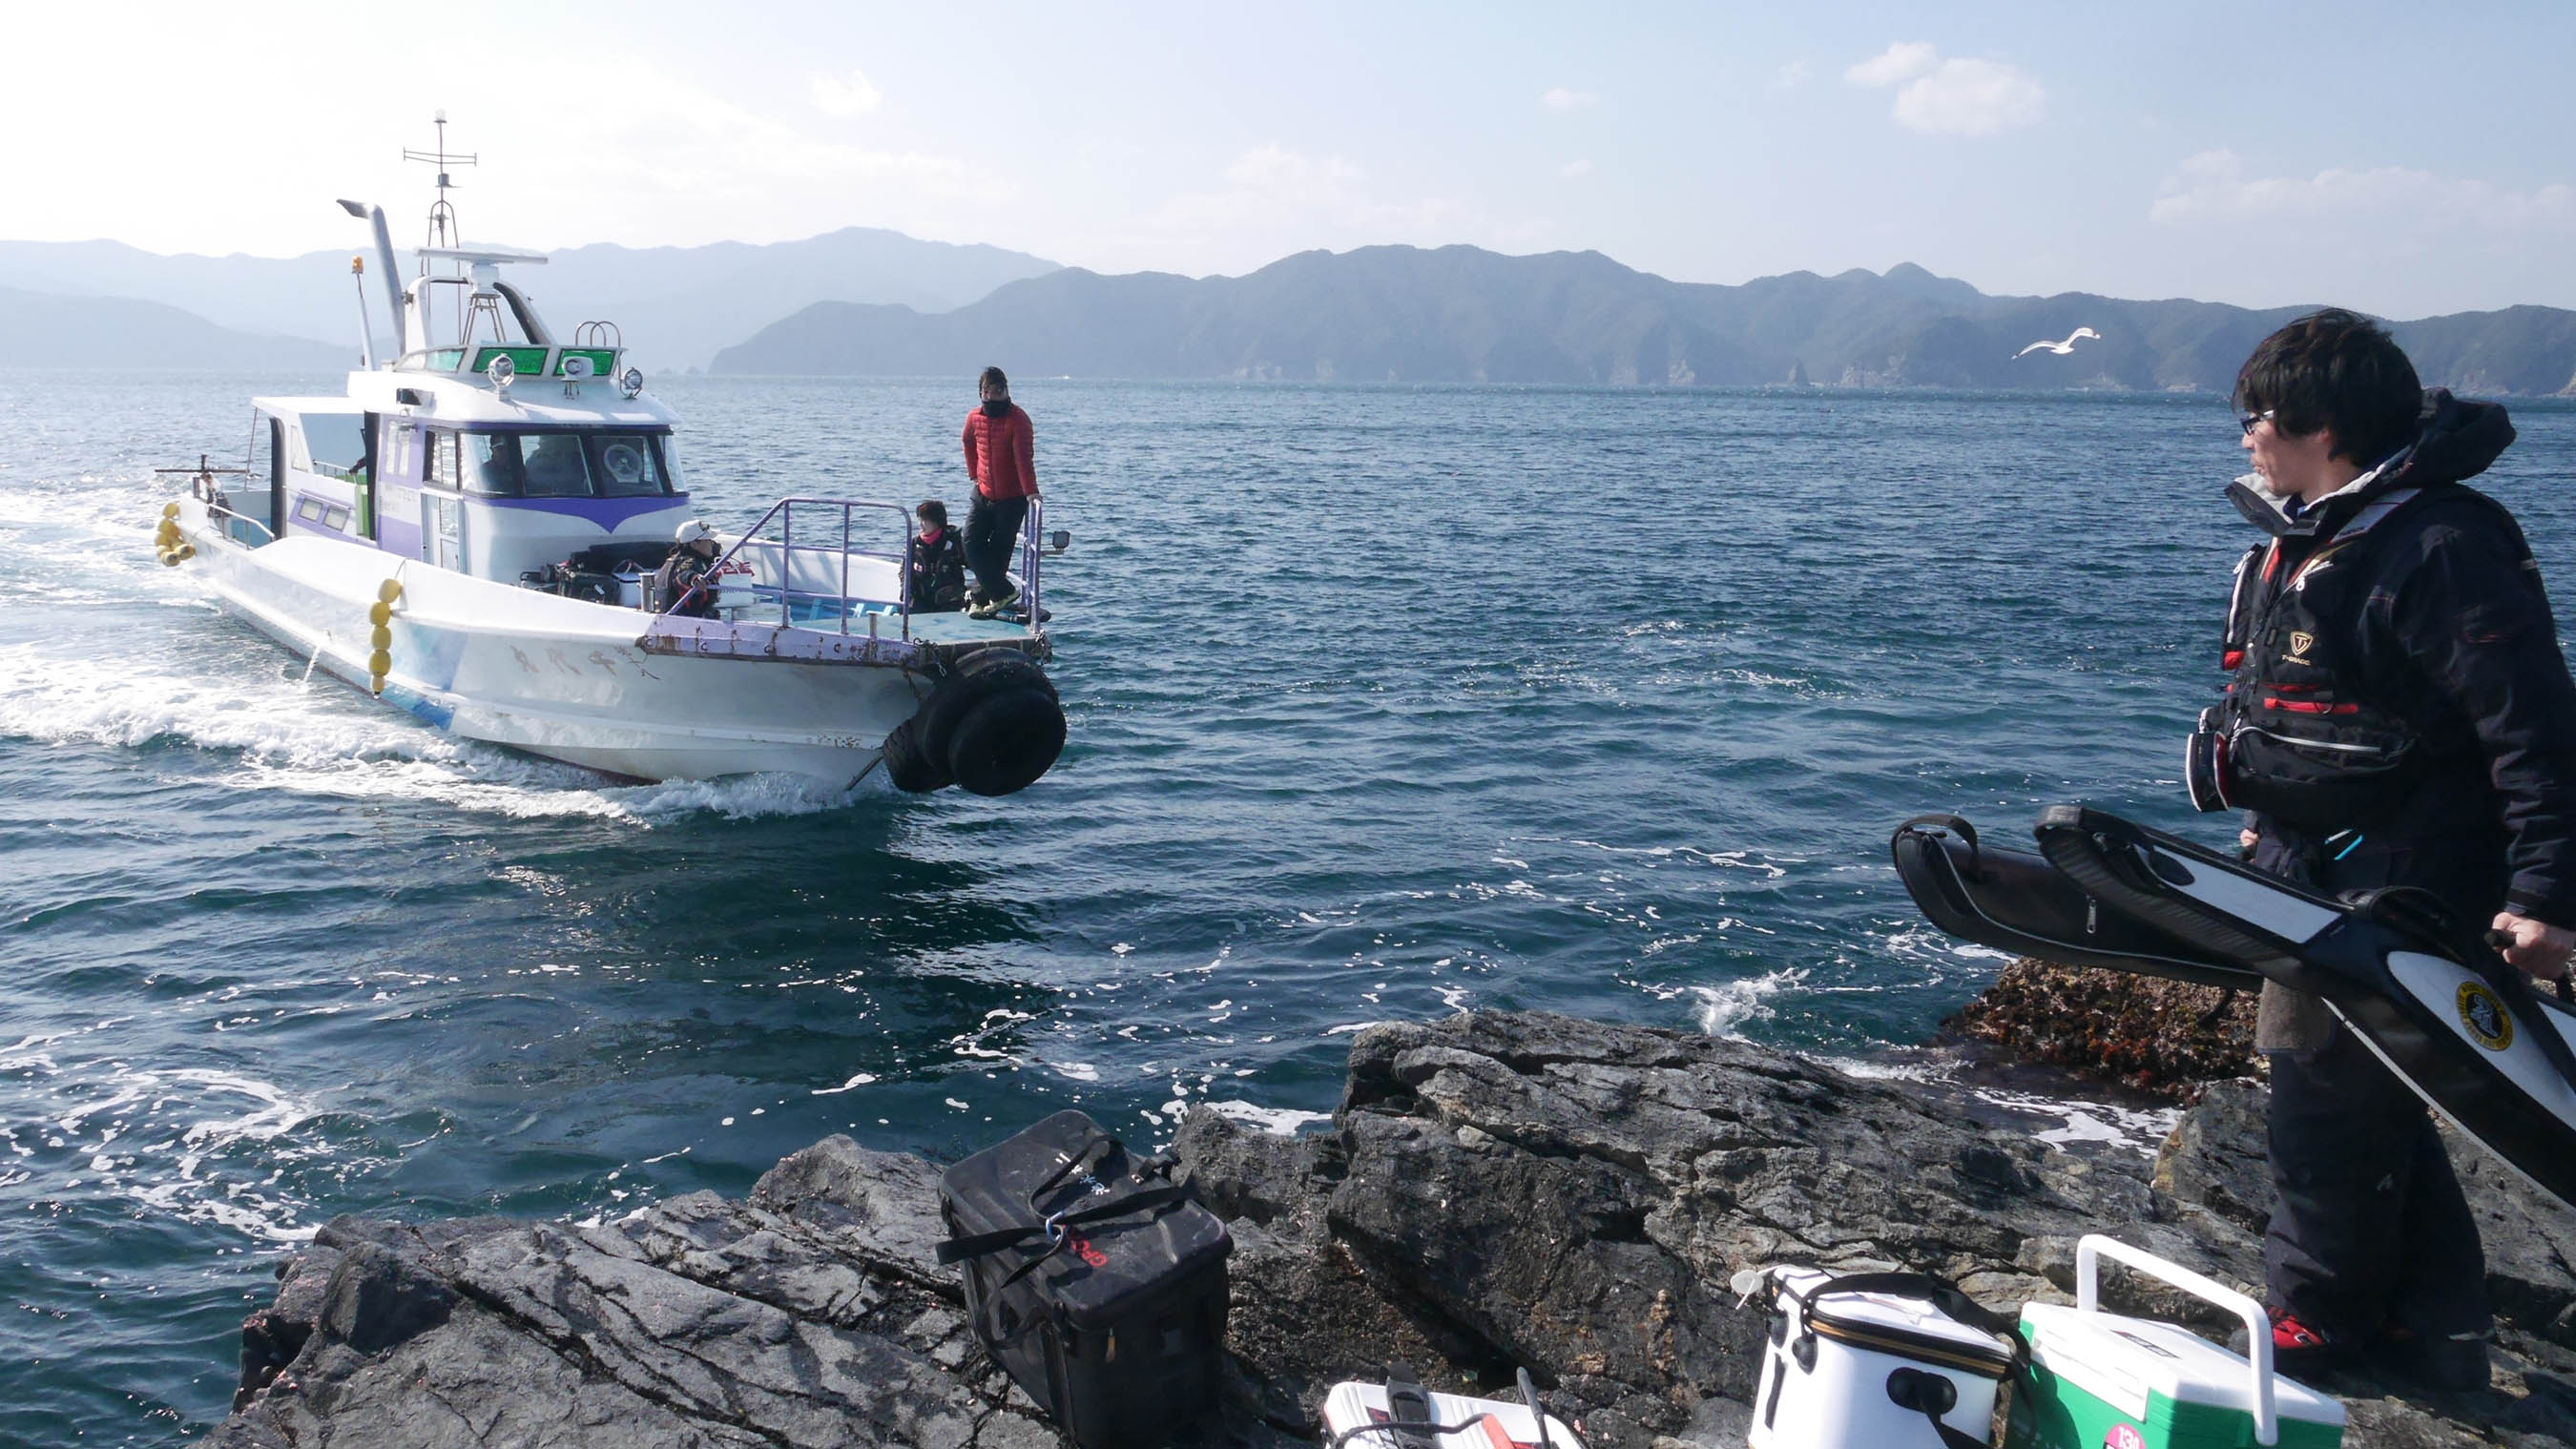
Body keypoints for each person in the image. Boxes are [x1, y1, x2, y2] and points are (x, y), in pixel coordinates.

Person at [2203, 309, 2576, 1391]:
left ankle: (2316, 1319)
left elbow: (2535, 727)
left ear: (2319, 428)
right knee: (2376, 1089)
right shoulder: (2318, 537)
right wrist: (2267, 814)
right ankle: (2435, 1323)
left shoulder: (2443, 546)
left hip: (2408, 877)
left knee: (2324, 1092)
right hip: (2310, 863)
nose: (2246, 437)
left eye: (2258, 417)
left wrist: (2548, 895)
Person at [960, 366, 1038, 617]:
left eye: (997, 391)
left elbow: (1023, 459)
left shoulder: (1018, 419)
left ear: (1006, 391)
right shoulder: (974, 417)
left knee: (999, 550)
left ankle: (983, 599)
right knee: (970, 542)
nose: (991, 396)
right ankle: (1004, 592)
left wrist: (1031, 492)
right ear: (980, 393)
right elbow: (967, 441)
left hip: (1012, 497)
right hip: (983, 491)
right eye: (986, 391)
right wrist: (973, 472)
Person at [909, 500, 968, 613]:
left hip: (949, 601)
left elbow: (974, 564)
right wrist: (906, 591)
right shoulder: (915, 544)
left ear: (937, 522)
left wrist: (976, 589)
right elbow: (905, 571)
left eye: (925, 521)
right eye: (919, 520)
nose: (920, 524)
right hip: (921, 599)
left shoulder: (954, 542)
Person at [655, 519, 721, 618]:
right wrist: (694, 578)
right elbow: (683, 573)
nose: (712, 543)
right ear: (694, 545)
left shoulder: (678, 559)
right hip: (687, 621)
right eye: (708, 540)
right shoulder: (689, 561)